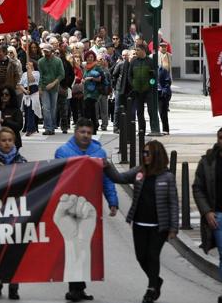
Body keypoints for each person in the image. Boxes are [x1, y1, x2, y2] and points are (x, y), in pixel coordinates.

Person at [105, 141, 178, 303]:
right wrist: (107, 166)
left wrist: (174, 227)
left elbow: (173, 202)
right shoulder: (139, 172)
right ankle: (156, 280)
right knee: (141, 257)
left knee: (152, 255)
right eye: (143, 153)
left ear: (157, 156)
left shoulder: (167, 177)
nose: (144, 156)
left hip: (159, 226)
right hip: (139, 223)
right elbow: (119, 177)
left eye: (148, 153)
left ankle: (151, 289)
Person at [54, 118, 118, 302]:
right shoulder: (63, 152)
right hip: (68, 205)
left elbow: (107, 180)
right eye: (82, 131)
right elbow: (57, 177)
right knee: (73, 244)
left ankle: (79, 288)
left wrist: (112, 201)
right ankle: (74, 288)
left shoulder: (99, 153)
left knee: (85, 245)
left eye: (89, 132)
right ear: (75, 132)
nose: (85, 135)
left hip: (89, 206)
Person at [0, 127, 26, 300]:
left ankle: (14, 285)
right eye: (3, 140)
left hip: (15, 211)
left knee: (14, 250)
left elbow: (28, 182)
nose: (7, 143)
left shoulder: (22, 161)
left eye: (10, 140)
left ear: (14, 141)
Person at [192, 128, 222, 293]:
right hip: (217, 216)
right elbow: (198, 188)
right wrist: (207, 211)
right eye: (220, 137)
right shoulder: (208, 161)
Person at [38, 43, 65, 135]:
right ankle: (48, 127)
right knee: (46, 108)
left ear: (51, 52)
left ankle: (52, 126)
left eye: (47, 51)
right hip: (44, 87)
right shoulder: (41, 61)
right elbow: (40, 75)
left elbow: (61, 74)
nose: (45, 53)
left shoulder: (58, 61)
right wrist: (40, 88)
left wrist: (53, 83)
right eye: (44, 51)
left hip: (54, 87)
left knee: (53, 108)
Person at [128, 44, 155, 134]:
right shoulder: (133, 62)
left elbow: (154, 77)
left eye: (138, 50)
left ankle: (153, 129)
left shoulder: (150, 61)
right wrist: (133, 85)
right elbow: (130, 75)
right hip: (137, 91)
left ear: (143, 51)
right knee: (139, 112)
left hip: (148, 91)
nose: (136, 52)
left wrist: (151, 84)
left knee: (151, 110)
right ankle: (141, 130)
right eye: (135, 50)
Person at [82, 50, 103, 134]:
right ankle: (93, 128)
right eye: (88, 57)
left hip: (94, 92)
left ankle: (90, 128)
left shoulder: (96, 67)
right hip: (87, 91)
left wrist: (90, 78)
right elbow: (84, 78)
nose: (90, 58)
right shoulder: (86, 67)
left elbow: (100, 79)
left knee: (88, 110)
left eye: (91, 57)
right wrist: (83, 80)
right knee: (91, 110)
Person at [20, 61, 41, 137]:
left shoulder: (37, 73)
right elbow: (21, 84)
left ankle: (30, 129)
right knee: (27, 112)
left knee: (31, 111)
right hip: (26, 94)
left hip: (33, 94)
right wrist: (25, 90)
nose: (27, 64)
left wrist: (29, 70)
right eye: (26, 63)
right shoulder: (24, 74)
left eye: (29, 63)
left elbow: (32, 80)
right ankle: (30, 127)